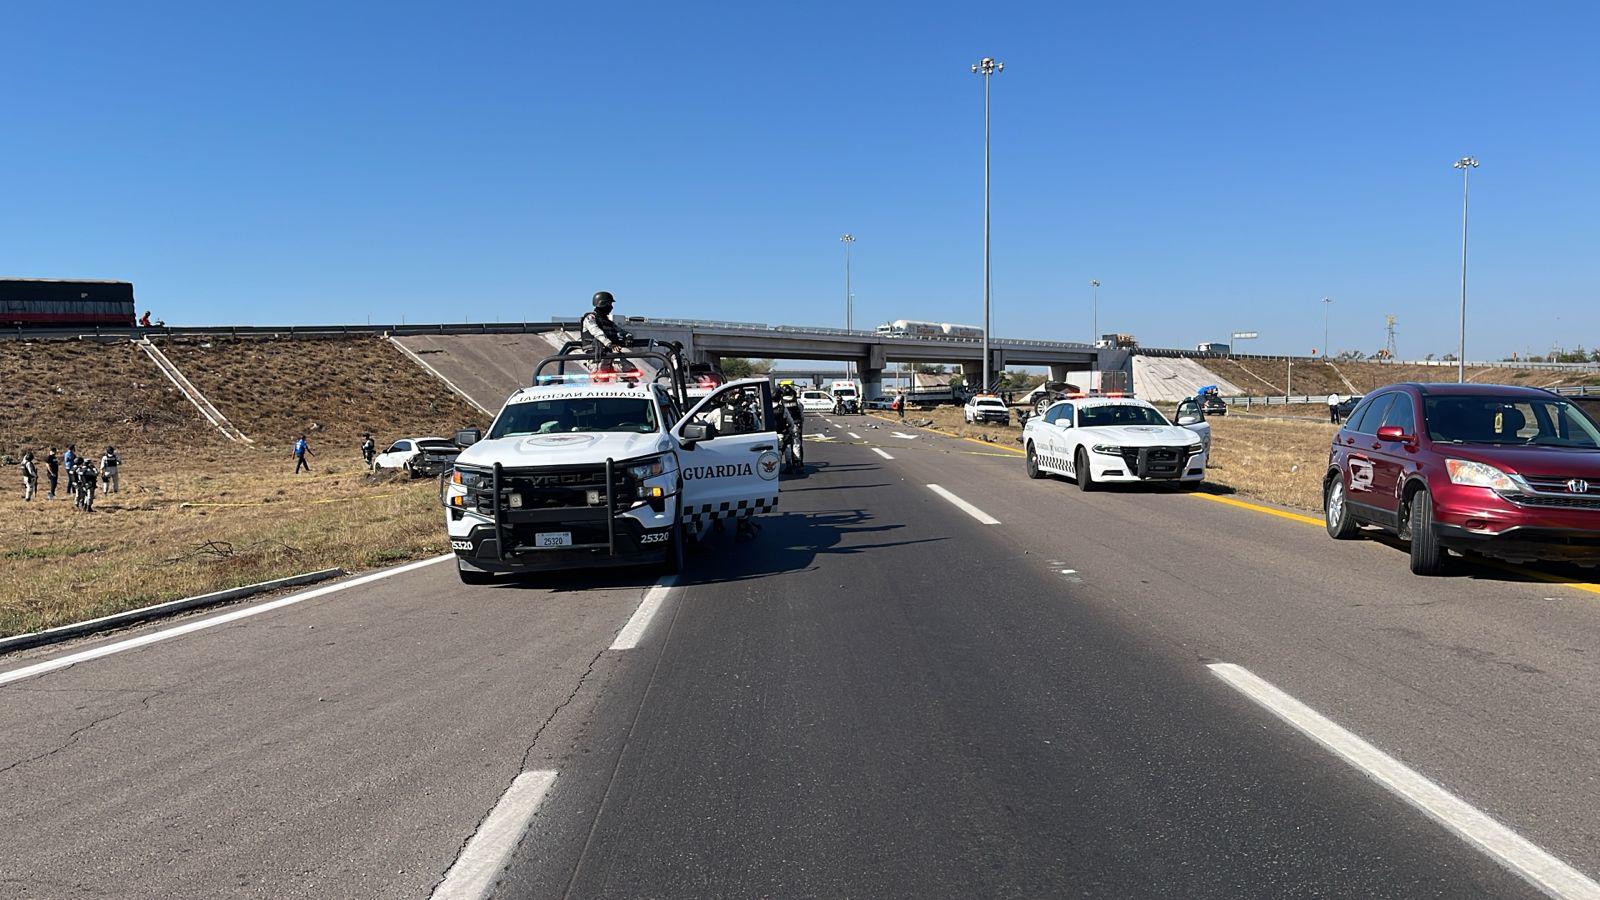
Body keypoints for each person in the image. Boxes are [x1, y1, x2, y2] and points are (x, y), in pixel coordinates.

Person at [579, 291, 630, 361]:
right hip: (596, 356)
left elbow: (620, 331)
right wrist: (609, 344)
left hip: (610, 354)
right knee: (603, 369)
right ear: (603, 304)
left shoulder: (607, 322)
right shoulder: (590, 318)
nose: (611, 307)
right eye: (609, 304)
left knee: (630, 369)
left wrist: (628, 336)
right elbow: (596, 332)